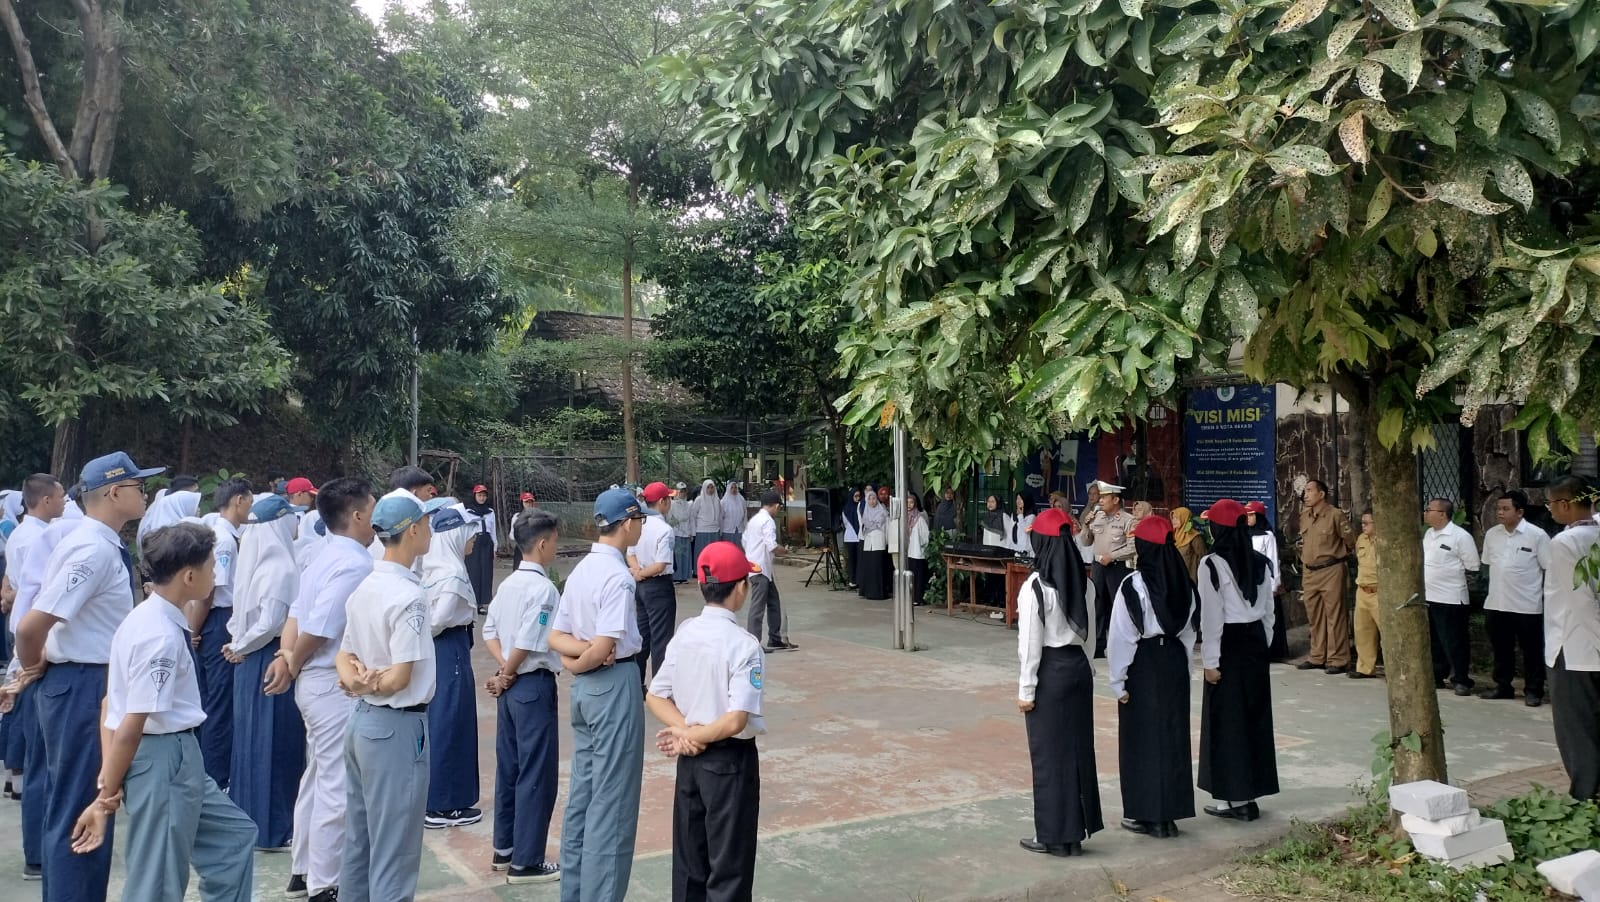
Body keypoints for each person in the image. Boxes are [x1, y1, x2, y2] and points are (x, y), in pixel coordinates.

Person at [68, 522, 256, 902]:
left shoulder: (146, 618)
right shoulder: (160, 636)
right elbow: (131, 724)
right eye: (211, 566)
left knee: (234, 837)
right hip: (162, 758)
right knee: (156, 882)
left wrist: (110, 779)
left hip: (176, 757)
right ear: (189, 576)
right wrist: (104, 798)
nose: (216, 574)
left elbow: (110, 706)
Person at [14, 451, 163, 902]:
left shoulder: (102, 543)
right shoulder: (92, 548)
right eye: (139, 487)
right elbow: (30, 626)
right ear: (115, 492)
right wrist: (32, 662)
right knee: (82, 806)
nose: (146, 494)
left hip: (90, 680)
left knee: (85, 803)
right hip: (81, 683)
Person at [264, 477, 376, 902]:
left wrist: (286, 655)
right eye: (371, 508)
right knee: (337, 782)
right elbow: (320, 624)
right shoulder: (354, 564)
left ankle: (304, 869)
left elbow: (296, 613)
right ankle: (324, 883)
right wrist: (291, 661)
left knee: (317, 775)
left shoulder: (321, 554)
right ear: (357, 515)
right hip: (331, 682)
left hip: (315, 680)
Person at [337, 489, 447, 902]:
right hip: (396, 727)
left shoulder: (367, 585)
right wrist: (368, 684)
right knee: (395, 852)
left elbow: (343, 657)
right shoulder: (410, 596)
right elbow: (401, 677)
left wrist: (356, 683)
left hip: (363, 723)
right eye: (427, 523)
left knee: (361, 842)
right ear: (415, 530)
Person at [646, 541, 766, 900]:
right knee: (729, 868)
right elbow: (734, 720)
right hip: (729, 761)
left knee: (689, 864)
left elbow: (655, 694)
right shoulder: (744, 645)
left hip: (690, 761)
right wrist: (697, 734)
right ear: (741, 588)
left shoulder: (686, 632)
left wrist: (686, 732)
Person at [547, 488, 649, 902]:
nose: (640, 526)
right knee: (614, 803)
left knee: (584, 798)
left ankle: (574, 892)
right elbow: (606, 646)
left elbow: (556, 636)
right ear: (627, 523)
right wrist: (584, 659)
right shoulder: (617, 576)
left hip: (586, 693)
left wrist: (576, 659)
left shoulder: (584, 569)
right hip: (612, 686)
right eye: (638, 519)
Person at [482, 511, 565, 885]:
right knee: (536, 771)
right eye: (555, 541)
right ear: (544, 543)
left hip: (511, 685)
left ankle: (505, 848)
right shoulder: (544, 590)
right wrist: (509, 671)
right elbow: (530, 641)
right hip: (530, 684)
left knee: (511, 767)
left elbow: (490, 631)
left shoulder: (509, 585)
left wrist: (502, 671)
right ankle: (526, 860)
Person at [1015, 508, 1101, 857]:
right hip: (1078, 668)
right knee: (1077, 752)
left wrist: (1026, 690)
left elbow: (1030, 645)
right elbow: (1091, 635)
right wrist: (1086, 668)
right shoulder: (1085, 582)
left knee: (1049, 756)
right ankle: (1075, 834)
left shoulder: (1035, 586)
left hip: (1050, 671)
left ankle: (1053, 835)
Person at [224, 495, 306, 851]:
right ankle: (274, 825)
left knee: (251, 741)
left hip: (248, 658)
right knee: (276, 742)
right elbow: (273, 621)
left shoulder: (253, 563)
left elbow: (241, 614)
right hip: (269, 657)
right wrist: (243, 646)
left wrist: (236, 643)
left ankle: (252, 819)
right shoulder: (281, 568)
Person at [1108, 515, 1196, 839]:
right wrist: (1183, 670)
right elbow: (1189, 633)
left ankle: (1146, 814)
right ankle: (1170, 816)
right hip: (1173, 661)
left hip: (1143, 664)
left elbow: (1121, 636)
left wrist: (1118, 681)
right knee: (1172, 737)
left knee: (1140, 740)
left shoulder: (1133, 585)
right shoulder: (1185, 584)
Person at [1196, 499, 1279, 822]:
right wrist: (1263, 645)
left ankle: (1235, 798)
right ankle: (1250, 794)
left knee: (1227, 723)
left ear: (1217, 530)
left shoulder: (1212, 564)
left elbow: (1212, 617)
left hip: (1228, 644)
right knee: (1254, 719)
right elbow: (1269, 611)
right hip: (1254, 641)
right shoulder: (1260, 561)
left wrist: (1210, 661)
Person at [0, 473, 65, 881]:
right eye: (60, 497)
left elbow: (12, 590)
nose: (63, 503)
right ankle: (38, 854)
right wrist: (31, 662)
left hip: (33, 647)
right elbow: (27, 609)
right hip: (37, 651)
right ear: (43, 500)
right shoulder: (37, 538)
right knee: (43, 757)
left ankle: (40, 851)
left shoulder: (32, 533)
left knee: (40, 755)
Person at [420, 506, 483, 829]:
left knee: (442, 719)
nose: (472, 542)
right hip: (450, 650)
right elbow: (439, 620)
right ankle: (443, 803)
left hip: (442, 650)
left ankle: (439, 798)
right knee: (450, 721)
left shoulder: (431, 567)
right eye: (468, 536)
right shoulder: (453, 574)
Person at [193, 477, 254, 791]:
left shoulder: (225, 534)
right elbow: (210, 591)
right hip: (218, 619)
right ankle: (215, 776)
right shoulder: (225, 540)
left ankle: (211, 770)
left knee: (214, 699)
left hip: (216, 618)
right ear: (239, 500)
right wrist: (195, 629)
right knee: (219, 702)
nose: (251, 507)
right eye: (249, 500)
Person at [1543, 475, 1600, 800]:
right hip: (1584, 645)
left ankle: (1586, 796)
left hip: (1574, 646)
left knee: (1577, 730)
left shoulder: (1564, 543)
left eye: (1551, 504)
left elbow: (1582, 603)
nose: (1549, 510)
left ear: (1565, 504)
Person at [1479, 491, 1550, 705]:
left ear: (1520, 512)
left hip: (1527, 605)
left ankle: (1534, 690)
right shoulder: (1492, 534)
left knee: (1532, 650)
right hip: (1497, 602)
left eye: (1505, 509)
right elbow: (1488, 564)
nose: (1500, 512)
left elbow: (1548, 567)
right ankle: (1503, 686)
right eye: (1498, 509)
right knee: (1501, 648)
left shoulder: (1537, 535)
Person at [1296, 479, 1355, 674]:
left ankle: (1338, 659)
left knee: (1335, 616)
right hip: (1310, 571)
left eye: (1310, 490)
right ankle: (1317, 656)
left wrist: (1336, 555)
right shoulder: (1304, 515)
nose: (1306, 494)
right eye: (1305, 491)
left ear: (1321, 494)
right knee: (1314, 615)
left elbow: (1350, 541)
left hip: (1331, 569)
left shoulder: (1335, 515)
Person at [1422, 497, 1481, 695]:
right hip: (1429, 595)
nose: (1425, 513)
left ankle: (1461, 679)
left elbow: (1472, 564)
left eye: (1429, 509)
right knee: (1434, 640)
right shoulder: (1429, 534)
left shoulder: (1459, 536)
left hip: (1451, 597)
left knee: (1454, 640)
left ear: (1442, 514)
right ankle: (1437, 675)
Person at [1077, 480, 1136, 658]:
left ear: (1116, 500)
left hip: (1117, 567)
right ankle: (1098, 644)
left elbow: (1133, 547)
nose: (1100, 501)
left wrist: (1113, 556)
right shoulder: (1097, 516)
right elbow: (1085, 542)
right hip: (1098, 566)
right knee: (1097, 604)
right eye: (1100, 498)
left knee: (1119, 606)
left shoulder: (1128, 520)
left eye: (1104, 498)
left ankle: (1122, 644)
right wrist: (1086, 525)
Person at [630, 482, 680, 681]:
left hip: (640, 586)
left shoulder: (638, 524)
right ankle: (660, 690)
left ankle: (637, 683)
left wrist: (637, 572)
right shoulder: (664, 529)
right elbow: (661, 564)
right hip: (658, 585)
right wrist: (643, 574)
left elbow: (630, 553)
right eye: (669, 499)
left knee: (642, 636)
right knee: (661, 639)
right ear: (662, 501)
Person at [744, 490, 796, 653]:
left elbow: (745, 540)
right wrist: (785, 551)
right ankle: (754, 643)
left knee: (774, 601)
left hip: (759, 566)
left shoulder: (755, 520)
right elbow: (772, 545)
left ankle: (775, 638)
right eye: (778, 506)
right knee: (758, 606)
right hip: (760, 569)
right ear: (775, 505)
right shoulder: (768, 521)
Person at [1245, 501, 1290, 661]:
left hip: (1266, 583)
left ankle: (1273, 651)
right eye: (1247, 514)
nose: (1248, 518)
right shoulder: (1245, 533)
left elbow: (1272, 559)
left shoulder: (1268, 536)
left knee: (1269, 617)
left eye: (1251, 514)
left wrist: (1274, 585)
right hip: (1251, 582)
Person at [1351, 511, 1382, 679]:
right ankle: (1365, 668)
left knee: (1387, 632)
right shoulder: (1361, 539)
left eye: (1367, 522)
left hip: (1379, 591)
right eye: (1362, 522)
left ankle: (1395, 669)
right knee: (1362, 631)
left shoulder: (1385, 540)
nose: (1363, 525)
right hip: (1362, 589)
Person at [464, 485, 498, 616]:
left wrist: (495, 545)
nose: (482, 498)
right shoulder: (468, 512)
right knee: (473, 571)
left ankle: (482, 603)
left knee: (486, 572)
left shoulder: (490, 512)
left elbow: (493, 530)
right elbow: (466, 530)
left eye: (484, 495)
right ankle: (473, 602)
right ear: (474, 496)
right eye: (479, 495)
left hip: (486, 542)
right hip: (474, 541)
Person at [137, 485, 200, 549]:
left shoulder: (156, 520)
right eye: (193, 506)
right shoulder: (175, 536)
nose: (198, 509)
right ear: (181, 508)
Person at [856, 488, 892, 601]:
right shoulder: (865, 513)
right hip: (868, 543)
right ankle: (869, 592)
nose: (872, 501)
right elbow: (863, 527)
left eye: (874, 498)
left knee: (878, 568)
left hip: (879, 542)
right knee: (869, 568)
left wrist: (887, 542)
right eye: (869, 499)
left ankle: (879, 592)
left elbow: (887, 528)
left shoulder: (883, 512)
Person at [286, 478, 323, 566]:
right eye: (310, 495)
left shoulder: (283, 512)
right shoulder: (298, 514)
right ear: (299, 494)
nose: (312, 499)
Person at [906, 494, 931, 606]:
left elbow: (926, 535)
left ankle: (918, 598)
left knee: (918, 576)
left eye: (911, 502)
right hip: (910, 552)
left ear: (915, 503)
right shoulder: (905, 517)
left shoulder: (919, 518)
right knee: (911, 575)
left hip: (918, 552)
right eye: (907, 502)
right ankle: (911, 597)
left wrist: (923, 548)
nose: (909, 505)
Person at [1170, 506, 1206, 582]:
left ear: (1184, 518)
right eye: (1173, 518)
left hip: (1190, 580)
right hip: (1175, 578)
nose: (1173, 521)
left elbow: (1202, 557)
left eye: (1176, 518)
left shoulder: (1194, 537)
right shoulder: (1173, 536)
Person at [691, 479, 721, 565]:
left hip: (714, 530)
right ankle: (700, 572)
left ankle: (713, 572)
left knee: (714, 554)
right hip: (702, 531)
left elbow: (719, 516)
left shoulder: (717, 500)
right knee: (702, 553)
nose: (710, 489)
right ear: (704, 488)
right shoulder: (699, 499)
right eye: (708, 487)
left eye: (712, 487)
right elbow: (693, 515)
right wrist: (694, 531)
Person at [669, 483, 694, 585]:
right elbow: (670, 518)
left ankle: (684, 576)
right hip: (676, 532)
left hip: (686, 532)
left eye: (684, 491)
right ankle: (676, 576)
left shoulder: (688, 505)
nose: (682, 493)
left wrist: (691, 532)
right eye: (680, 491)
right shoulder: (672, 504)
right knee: (677, 555)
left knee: (685, 555)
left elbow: (691, 519)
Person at [841, 488, 863, 588]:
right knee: (852, 560)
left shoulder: (860, 507)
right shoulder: (846, 509)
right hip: (851, 538)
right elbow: (846, 523)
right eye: (856, 496)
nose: (858, 498)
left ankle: (858, 580)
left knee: (859, 560)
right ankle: (852, 580)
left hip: (858, 537)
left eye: (859, 496)